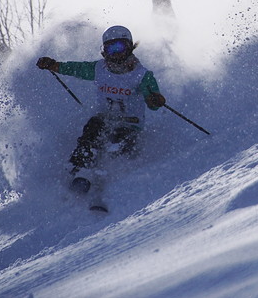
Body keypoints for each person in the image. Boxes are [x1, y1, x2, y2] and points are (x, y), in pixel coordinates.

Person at [36, 25, 166, 181]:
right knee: (92, 129)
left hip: (130, 125)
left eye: (120, 47)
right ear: (104, 51)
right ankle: (79, 169)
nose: (117, 53)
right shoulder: (99, 69)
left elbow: (153, 102)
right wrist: (53, 65)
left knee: (120, 141)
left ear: (130, 47)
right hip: (105, 119)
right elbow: (75, 68)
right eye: (111, 49)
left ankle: (114, 175)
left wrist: (155, 100)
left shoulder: (142, 76)